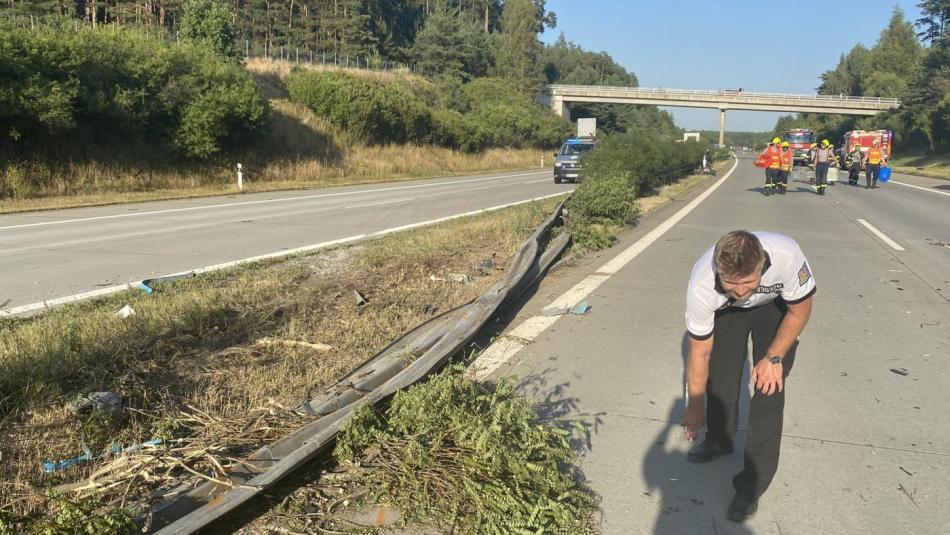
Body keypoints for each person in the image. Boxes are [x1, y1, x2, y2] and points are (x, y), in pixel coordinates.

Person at [682, 230, 816, 523]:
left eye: (748, 282)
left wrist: (773, 357)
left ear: (763, 266)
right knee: (722, 377)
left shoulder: (787, 255)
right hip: (728, 312)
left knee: (769, 390)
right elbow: (699, 356)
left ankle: (751, 487)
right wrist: (694, 408)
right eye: (731, 282)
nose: (741, 290)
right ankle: (719, 439)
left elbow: (801, 310)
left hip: (775, 308)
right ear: (719, 271)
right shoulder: (703, 285)